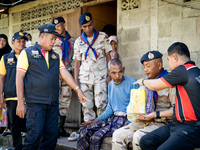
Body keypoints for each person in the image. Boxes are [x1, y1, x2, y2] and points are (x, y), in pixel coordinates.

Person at [16, 24, 89, 150]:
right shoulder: (27, 53)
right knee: (34, 135)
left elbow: (64, 73)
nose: (54, 42)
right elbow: (19, 77)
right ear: (42, 36)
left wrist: (78, 90)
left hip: (52, 104)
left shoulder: (55, 56)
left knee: (51, 137)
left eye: (55, 39)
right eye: (52, 38)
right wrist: (20, 102)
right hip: (35, 103)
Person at [134, 42, 200, 150]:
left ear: (175, 57)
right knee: (146, 141)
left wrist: (143, 81)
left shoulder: (183, 70)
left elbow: (155, 85)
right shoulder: (196, 70)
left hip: (191, 128)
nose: (168, 64)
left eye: (168, 60)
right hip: (178, 124)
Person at [112, 50, 175, 150]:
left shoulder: (169, 83)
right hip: (143, 122)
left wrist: (155, 115)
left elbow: (177, 110)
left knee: (139, 137)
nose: (145, 70)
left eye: (148, 66)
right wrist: (137, 116)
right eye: (144, 66)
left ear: (159, 65)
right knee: (118, 135)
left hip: (162, 124)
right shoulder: (144, 83)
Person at [77, 58, 139, 150]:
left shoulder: (133, 83)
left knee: (95, 137)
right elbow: (110, 109)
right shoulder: (110, 84)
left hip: (126, 119)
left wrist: (128, 123)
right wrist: (96, 120)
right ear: (108, 72)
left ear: (124, 70)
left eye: (120, 72)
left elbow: (137, 108)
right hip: (113, 119)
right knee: (85, 131)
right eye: (113, 73)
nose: (117, 75)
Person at [73, 12, 112, 122]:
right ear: (81, 27)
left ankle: (102, 127)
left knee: (102, 103)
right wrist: (75, 81)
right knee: (86, 105)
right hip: (85, 77)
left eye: (89, 25)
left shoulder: (103, 37)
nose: (87, 28)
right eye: (84, 26)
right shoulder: (78, 42)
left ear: (94, 23)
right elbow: (77, 63)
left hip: (101, 76)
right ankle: (88, 130)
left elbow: (108, 56)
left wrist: (109, 75)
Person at [0, 31, 27, 150]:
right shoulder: (5, 58)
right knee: (14, 125)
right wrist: (0, 95)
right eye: (18, 41)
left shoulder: (29, 56)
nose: (21, 43)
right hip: (11, 96)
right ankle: (18, 147)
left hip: (27, 96)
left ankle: (29, 146)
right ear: (12, 42)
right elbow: (1, 77)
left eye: (23, 41)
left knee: (29, 124)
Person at [52, 16, 75, 137]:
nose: (57, 28)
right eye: (55, 26)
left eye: (59, 25)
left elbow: (73, 59)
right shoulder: (52, 40)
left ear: (64, 25)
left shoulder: (72, 40)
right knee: (55, 100)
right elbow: (50, 59)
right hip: (55, 75)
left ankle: (61, 127)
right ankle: (54, 128)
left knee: (66, 100)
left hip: (68, 74)